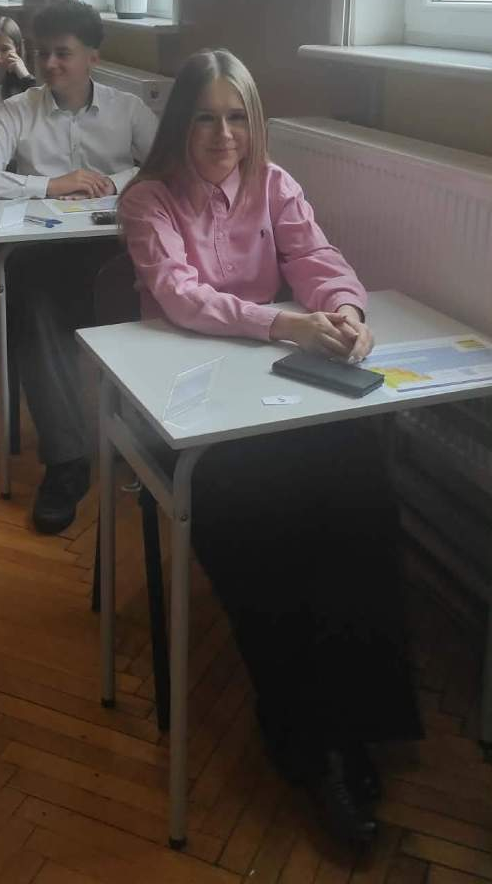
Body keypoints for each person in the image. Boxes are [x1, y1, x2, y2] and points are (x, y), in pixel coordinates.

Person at [118, 49, 423, 845]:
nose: (224, 135)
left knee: (363, 500)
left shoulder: (275, 183)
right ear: (180, 123)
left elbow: (316, 259)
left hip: (274, 395)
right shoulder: (148, 199)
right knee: (262, 539)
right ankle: (308, 742)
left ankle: (358, 724)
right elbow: (181, 297)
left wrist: (346, 310)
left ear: (254, 124)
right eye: (205, 118)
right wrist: (285, 322)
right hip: (187, 407)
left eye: (237, 118)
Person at [0, 1, 158, 533]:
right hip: (42, 253)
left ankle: (147, 438)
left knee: (156, 288)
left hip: (113, 250)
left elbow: (165, 165)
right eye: (42, 53)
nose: (49, 64)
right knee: (33, 305)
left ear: (93, 57)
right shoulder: (17, 110)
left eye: (63, 53)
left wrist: (117, 179)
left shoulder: (128, 109)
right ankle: (67, 462)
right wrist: (50, 184)